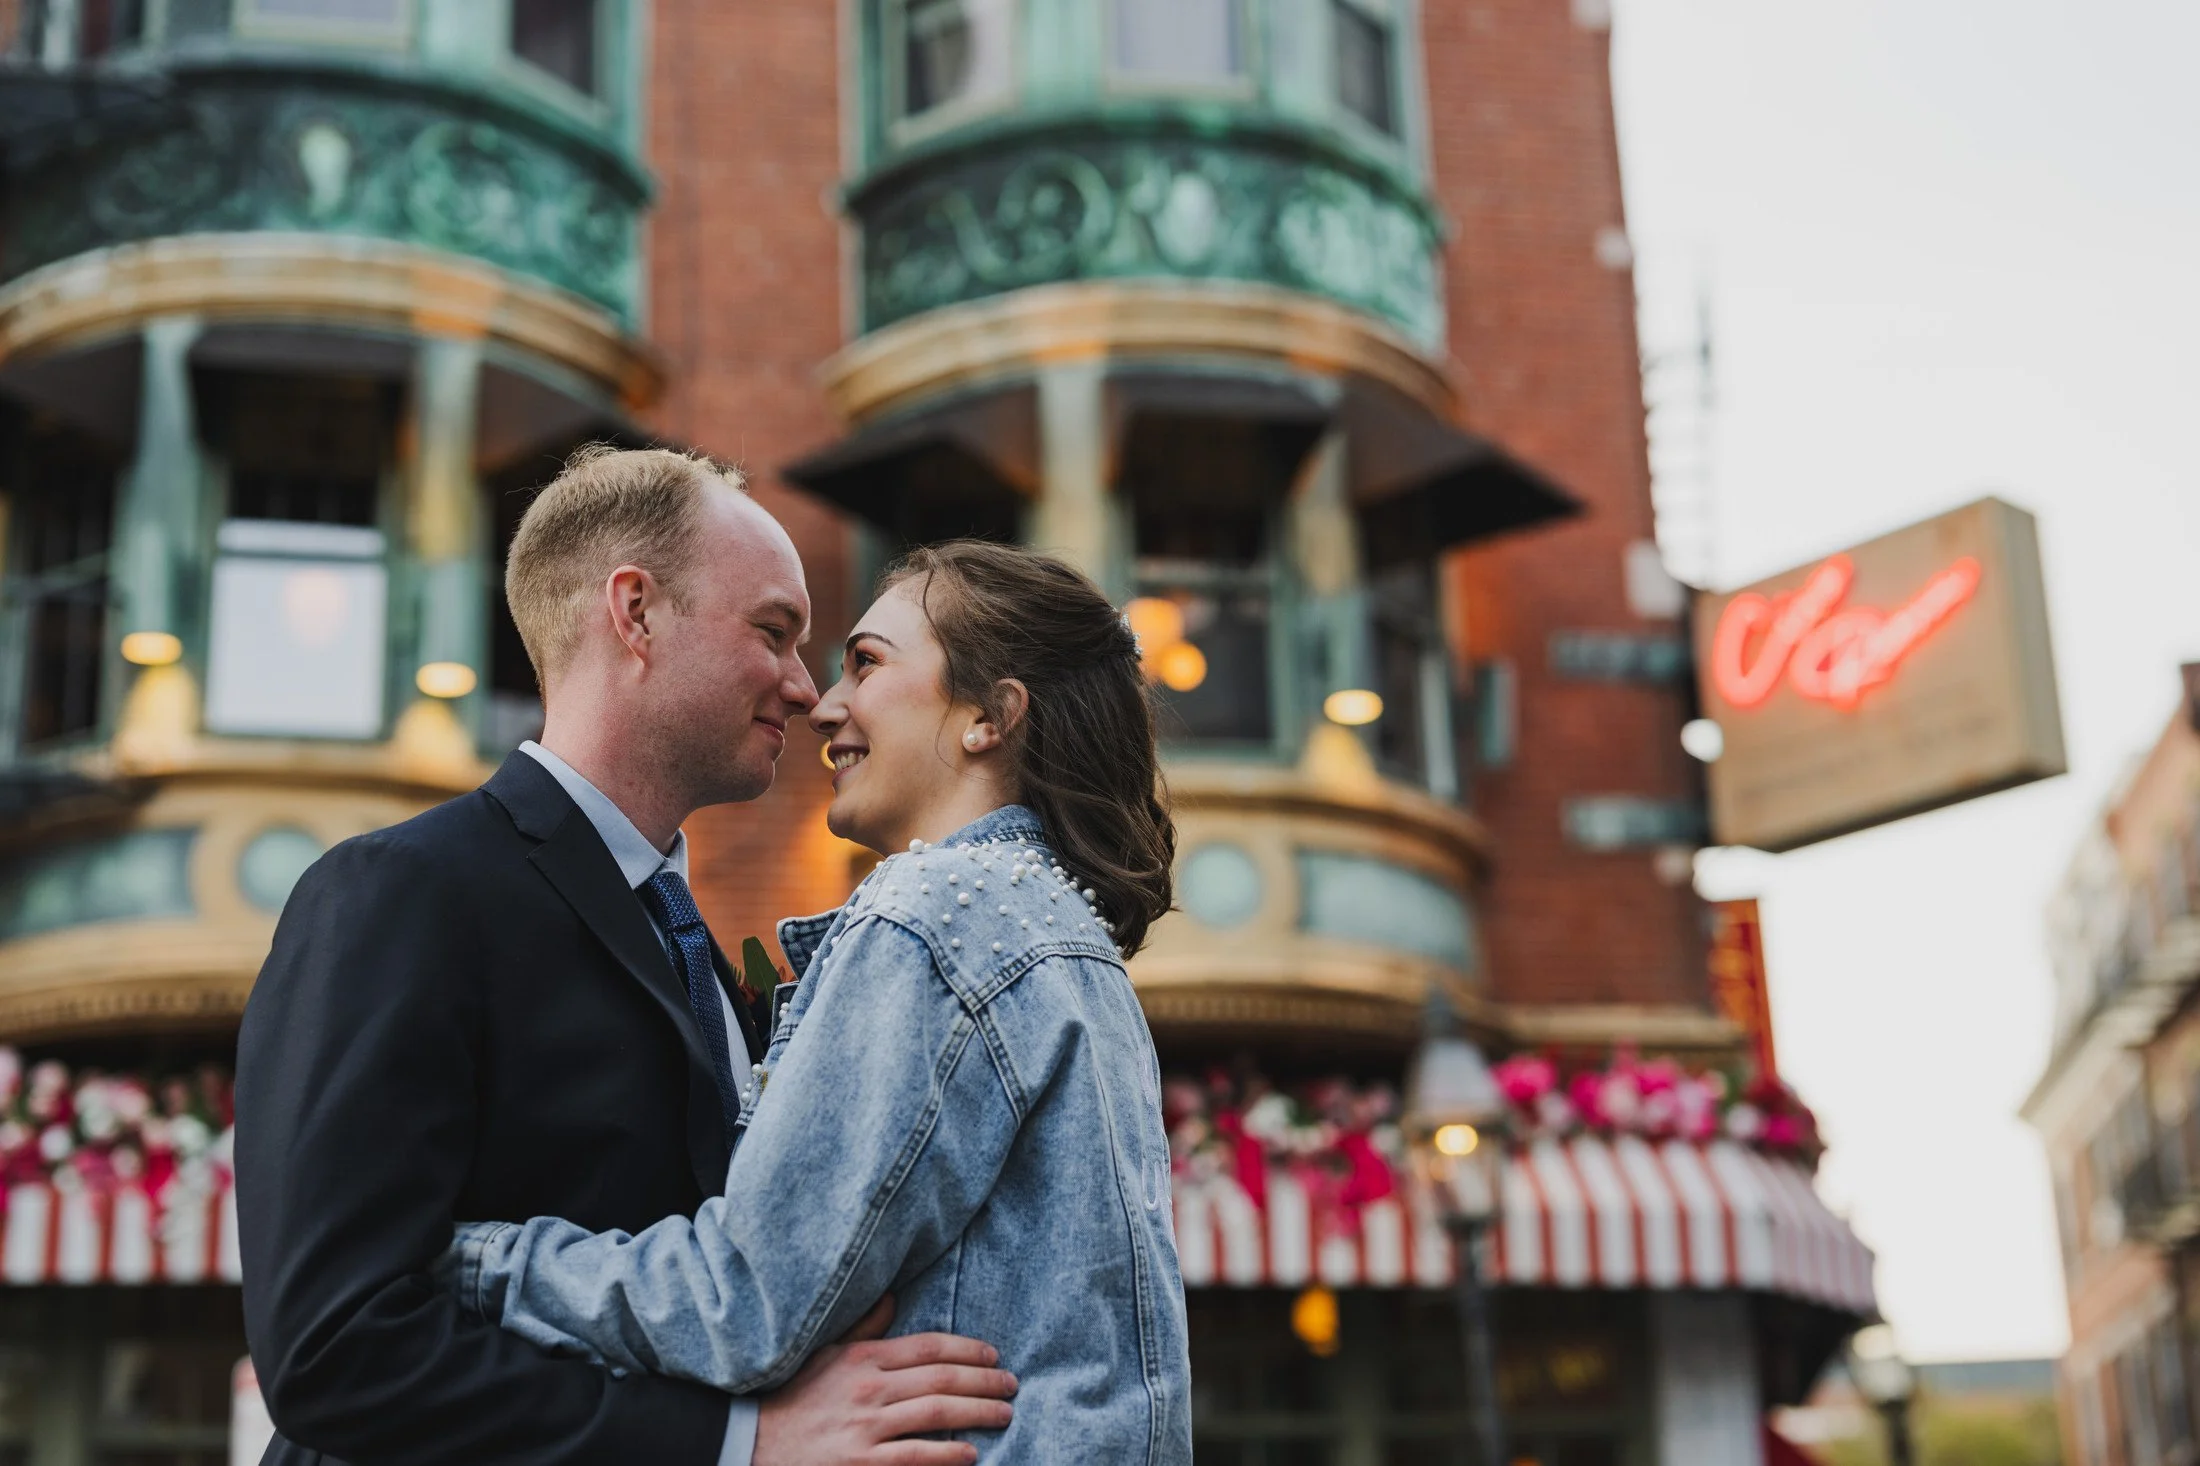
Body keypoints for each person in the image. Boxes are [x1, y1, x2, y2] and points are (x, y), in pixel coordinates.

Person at [235, 447, 1021, 1466]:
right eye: (774, 632)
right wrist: (739, 1440)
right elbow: (336, 1348)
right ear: (634, 612)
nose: (803, 686)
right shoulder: (401, 891)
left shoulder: (693, 943)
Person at [438, 540, 1195, 1464]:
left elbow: (746, 1302)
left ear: (990, 717)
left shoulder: (937, 916)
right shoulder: (1058, 932)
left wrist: (473, 1260)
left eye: (867, 664)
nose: (824, 705)